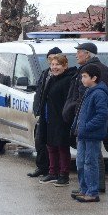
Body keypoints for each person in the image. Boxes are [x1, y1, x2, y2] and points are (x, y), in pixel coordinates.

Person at [63, 42, 108, 193]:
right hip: (85, 120)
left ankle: (93, 188)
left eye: (79, 52)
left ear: (87, 54)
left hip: (90, 122)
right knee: (86, 158)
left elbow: (106, 97)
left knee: (91, 159)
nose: (76, 55)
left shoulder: (95, 72)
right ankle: (88, 187)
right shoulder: (101, 69)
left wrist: (82, 113)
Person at [71, 65, 108, 203]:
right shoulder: (89, 90)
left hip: (92, 135)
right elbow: (81, 111)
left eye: (84, 76)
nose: (82, 79)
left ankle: (92, 192)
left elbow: (102, 115)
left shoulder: (99, 93)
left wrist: (87, 127)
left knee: (90, 163)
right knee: (80, 162)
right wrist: (76, 126)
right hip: (83, 134)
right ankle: (84, 189)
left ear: (94, 78)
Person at [38, 54, 77, 187]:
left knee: (62, 147)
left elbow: (69, 102)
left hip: (62, 120)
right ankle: (52, 172)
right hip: (50, 119)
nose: (54, 67)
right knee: (51, 146)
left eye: (57, 65)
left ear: (65, 66)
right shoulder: (52, 79)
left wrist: (65, 118)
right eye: (52, 65)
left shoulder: (68, 80)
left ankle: (63, 175)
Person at [28, 46, 62, 178]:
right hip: (44, 113)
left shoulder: (61, 75)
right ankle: (42, 167)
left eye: (55, 58)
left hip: (55, 115)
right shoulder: (45, 73)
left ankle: (56, 170)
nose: (52, 61)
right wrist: (37, 108)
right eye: (50, 58)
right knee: (40, 141)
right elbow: (39, 91)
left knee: (54, 144)